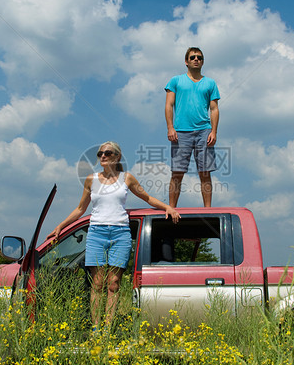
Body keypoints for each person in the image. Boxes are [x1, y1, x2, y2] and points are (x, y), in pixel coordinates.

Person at [47, 141, 180, 332]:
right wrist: (60, 225)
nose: (102, 156)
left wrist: (168, 207)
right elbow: (80, 209)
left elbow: (148, 198)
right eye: (100, 153)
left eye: (107, 153)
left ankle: (107, 329)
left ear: (117, 157)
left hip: (120, 233)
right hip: (97, 233)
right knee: (98, 283)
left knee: (114, 284)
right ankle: (96, 329)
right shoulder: (91, 179)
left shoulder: (127, 178)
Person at [165, 47, 221, 207]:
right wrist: (170, 127)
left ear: (203, 61)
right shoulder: (175, 81)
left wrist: (214, 131)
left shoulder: (210, 83)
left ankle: (208, 209)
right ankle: (171, 208)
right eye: (192, 57)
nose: (196, 59)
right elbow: (169, 105)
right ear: (186, 61)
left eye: (199, 57)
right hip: (180, 132)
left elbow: (214, 108)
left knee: (205, 172)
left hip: (204, 131)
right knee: (177, 173)